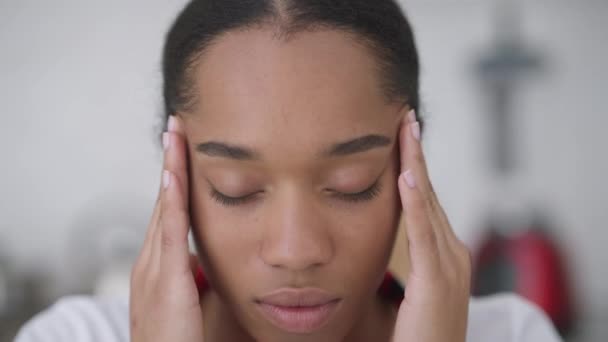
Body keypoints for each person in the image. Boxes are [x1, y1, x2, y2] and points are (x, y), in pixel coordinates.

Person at [15, 1, 562, 341]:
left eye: (352, 184)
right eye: (236, 190)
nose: (296, 251)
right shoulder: (74, 336)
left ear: (408, 162)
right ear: (175, 168)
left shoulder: (510, 334)